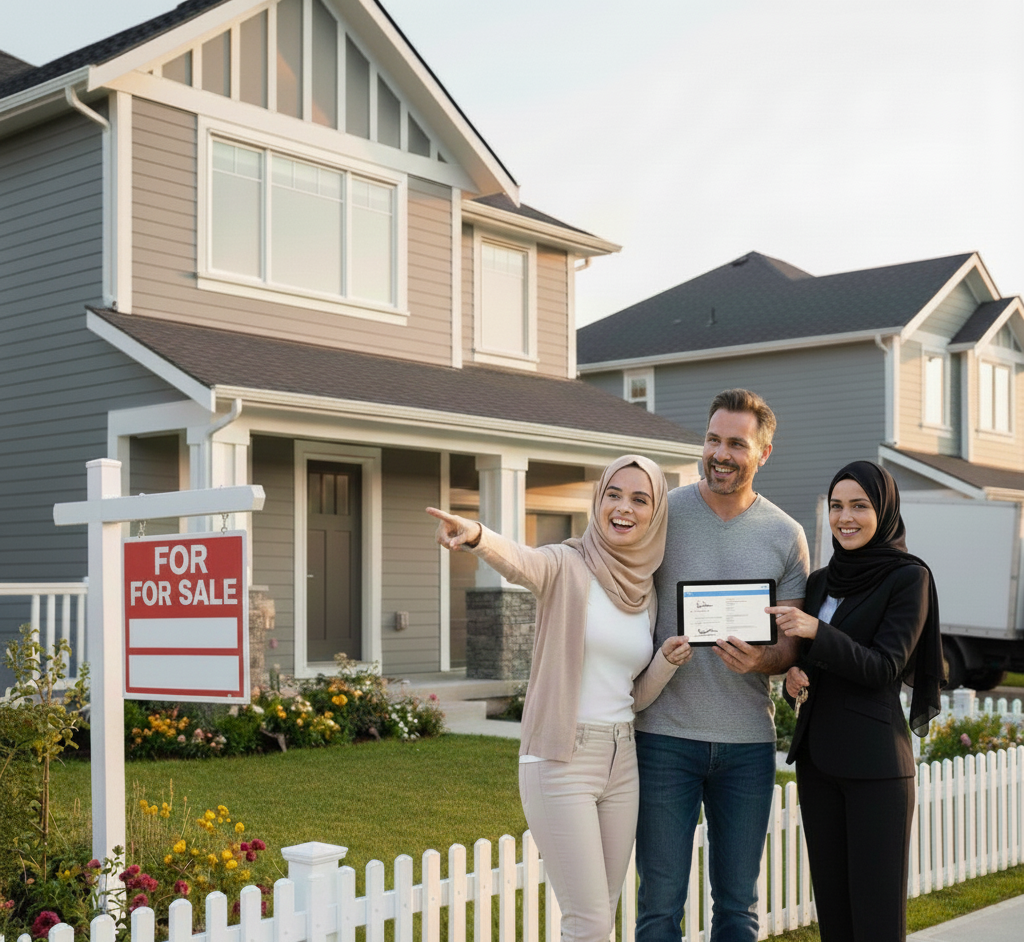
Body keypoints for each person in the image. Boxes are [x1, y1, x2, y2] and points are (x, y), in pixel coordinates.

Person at [427, 454, 691, 942]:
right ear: (598, 499)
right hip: (561, 759)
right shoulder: (567, 565)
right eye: (613, 494)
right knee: (587, 923)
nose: (623, 507)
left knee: (601, 914)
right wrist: (478, 535)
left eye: (640, 499)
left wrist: (665, 663)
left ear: (655, 515)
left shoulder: (645, 592)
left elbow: (631, 697)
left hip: (622, 760)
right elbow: (522, 562)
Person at [634, 389, 810, 942]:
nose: (720, 453)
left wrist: (764, 659)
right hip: (664, 737)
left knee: (737, 908)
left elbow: (792, 645)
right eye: (713, 439)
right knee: (659, 906)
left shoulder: (786, 535)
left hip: (746, 745)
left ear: (764, 453)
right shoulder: (663, 514)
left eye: (736, 443)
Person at [771, 460, 943, 942]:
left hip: (875, 770)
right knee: (835, 916)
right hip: (818, 765)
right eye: (836, 506)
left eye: (859, 506)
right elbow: (817, 662)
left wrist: (817, 631)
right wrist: (795, 676)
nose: (845, 517)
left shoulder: (909, 578)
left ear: (883, 510)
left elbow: (885, 666)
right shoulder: (821, 581)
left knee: (876, 920)